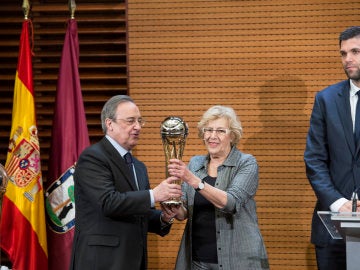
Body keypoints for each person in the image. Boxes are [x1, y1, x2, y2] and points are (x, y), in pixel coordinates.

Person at [69, 95, 182, 270]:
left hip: (133, 261)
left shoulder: (138, 167)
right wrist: (155, 194)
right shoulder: (93, 157)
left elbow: (139, 214)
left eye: (139, 121)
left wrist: (164, 218)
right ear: (109, 124)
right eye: (130, 121)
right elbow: (109, 202)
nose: (137, 127)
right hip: (101, 262)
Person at [162, 105, 269, 270]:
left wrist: (193, 180)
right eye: (208, 130)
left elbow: (231, 203)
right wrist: (174, 209)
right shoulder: (195, 163)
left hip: (238, 261)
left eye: (220, 131)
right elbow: (184, 214)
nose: (213, 136)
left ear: (232, 135)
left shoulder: (246, 163)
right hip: (198, 260)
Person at [304, 26, 360, 270]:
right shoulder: (325, 99)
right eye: (343, 53)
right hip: (333, 225)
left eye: (355, 51)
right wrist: (338, 203)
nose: (348, 59)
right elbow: (314, 159)